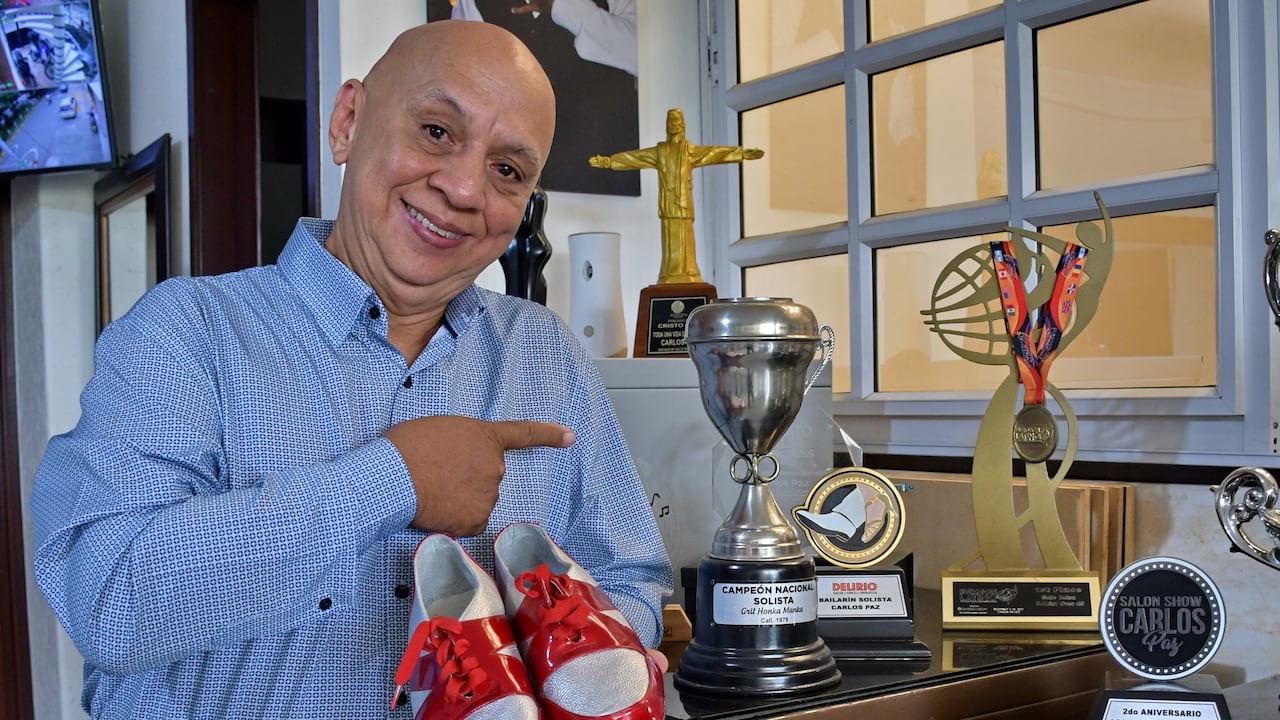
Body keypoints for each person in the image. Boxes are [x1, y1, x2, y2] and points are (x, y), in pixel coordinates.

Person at [30, 19, 671, 719]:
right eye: (436, 131)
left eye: (508, 171)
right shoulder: (184, 334)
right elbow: (109, 601)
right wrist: (391, 480)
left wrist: (604, 663)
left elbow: (629, 575)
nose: (464, 189)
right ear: (347, 123)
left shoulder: (545, 353)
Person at [450, 0, 641, 196]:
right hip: (513, 181)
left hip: (610, 177)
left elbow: (643, 55)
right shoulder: (474, 3)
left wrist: (562, 6)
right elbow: (463, 83)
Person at [590, 108, 763, 285]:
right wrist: (610, 161)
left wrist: (740, 153)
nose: (674, 124)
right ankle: (669, 273)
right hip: (668, 203)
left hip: (683, 203)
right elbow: (635, 158)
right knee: (670, 242)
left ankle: (689, 271)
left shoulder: (689, 150)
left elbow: (714, 153)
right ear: (667, 125)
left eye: (677, 121)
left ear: (683, 125)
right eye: (671, 121)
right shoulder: (661, 151)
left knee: (686, 239)